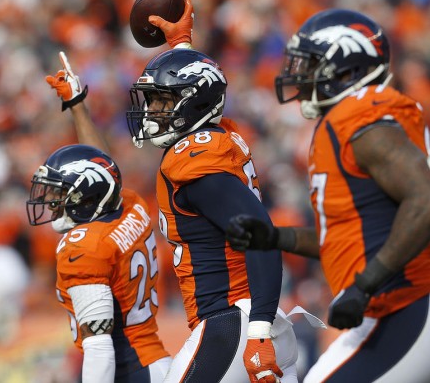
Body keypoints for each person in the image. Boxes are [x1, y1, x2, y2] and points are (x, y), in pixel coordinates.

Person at [226, 9, 430, 382]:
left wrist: (364, 286)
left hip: (409, 307)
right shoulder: (350, 122)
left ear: (347, 70)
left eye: (311, 65)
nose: (300, 75)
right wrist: (278, 238)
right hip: (425, 308)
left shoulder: (360, 119)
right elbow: (354, 238)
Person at [125, 47, 300, 382]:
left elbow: (261, 233)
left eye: (162, 101)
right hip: (248, 319)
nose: (150, 112)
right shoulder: (216, 136)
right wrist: (180, 44)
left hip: (231, 325)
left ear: (196, 102)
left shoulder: (194, 160)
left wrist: (258, 330)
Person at [26, 143, 172, 382]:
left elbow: (99, 347)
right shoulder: (131, 204)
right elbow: (104, 166)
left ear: (84, 195)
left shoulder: (83, 249)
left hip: (129, 372)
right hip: (154, 361)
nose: (51, 201)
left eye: (59, 193)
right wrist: (77, 108)